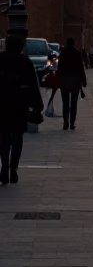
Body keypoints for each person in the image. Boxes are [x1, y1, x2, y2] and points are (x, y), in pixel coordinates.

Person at [0, 35, 43, 184]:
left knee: (4, 137)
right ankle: (14, 168)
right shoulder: (25, 61)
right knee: (17, 137)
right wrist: (38, 106)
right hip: (20, 105)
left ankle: (4, 165)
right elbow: (33, 84)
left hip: (2, 105)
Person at [57, 37, 87, 130]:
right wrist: (84, 80)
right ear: (74, 44)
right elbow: (81, 68)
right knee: (73, 104)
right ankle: (72, 123)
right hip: (75, 81)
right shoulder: (77, 53)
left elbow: (59, 68)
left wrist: (59, 79)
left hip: (64, 81)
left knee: (65, 103)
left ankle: (65, 122)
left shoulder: (63, 53)